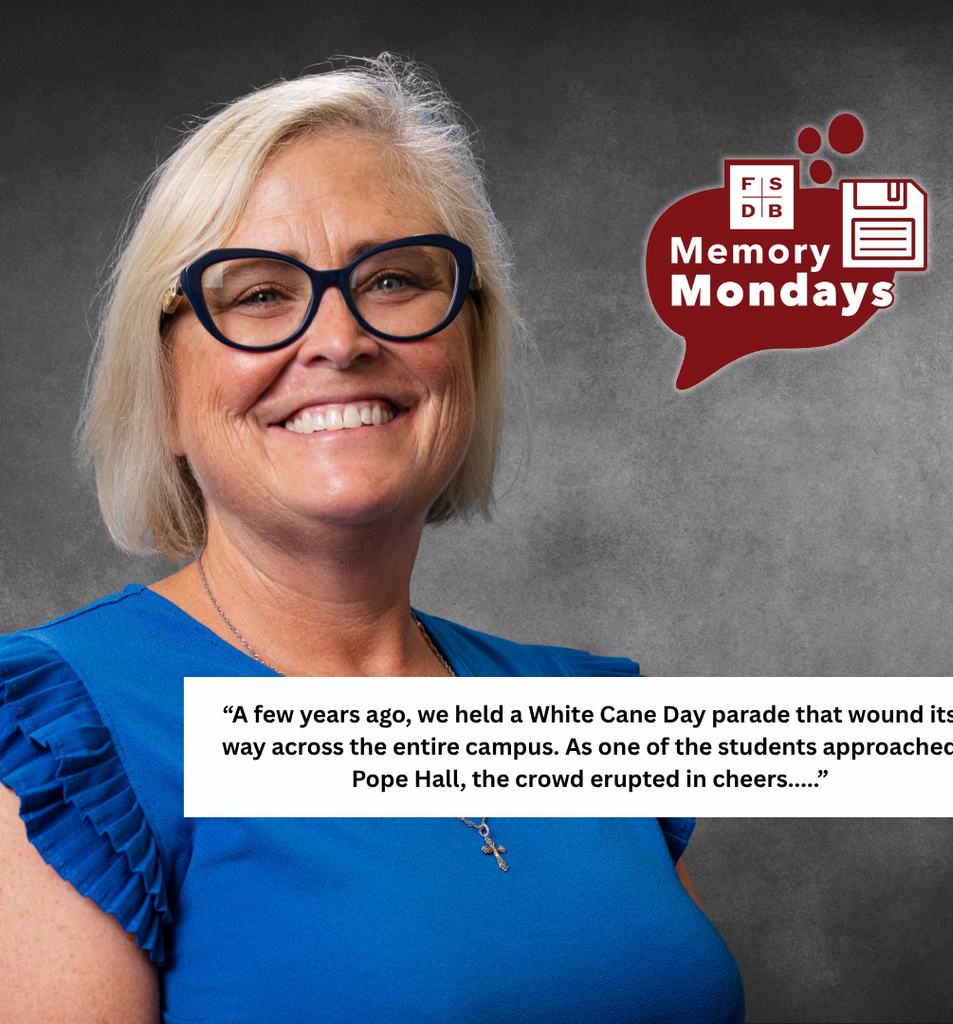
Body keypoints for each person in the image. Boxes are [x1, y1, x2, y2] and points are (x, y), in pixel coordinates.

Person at [0, 59, 744, 1022]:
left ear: (468, 346)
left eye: (393, 279)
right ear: (167, 387)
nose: (340, 338)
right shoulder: (66, 740)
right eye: (259, 294)